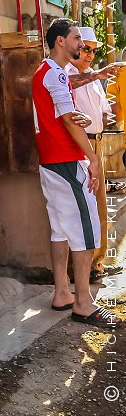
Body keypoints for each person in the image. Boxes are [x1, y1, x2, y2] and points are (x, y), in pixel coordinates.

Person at [33, 20, 122, 329]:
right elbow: (69, 118)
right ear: (61, 41)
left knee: (60, 230)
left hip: (50, 162)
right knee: (85, 231)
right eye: (76, 39)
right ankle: (83, 302)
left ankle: (62, 292)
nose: (81, 44)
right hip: (67, 160)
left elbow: (64, 109)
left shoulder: (44, 73)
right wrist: (93, 158)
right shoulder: (56, 73)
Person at [66, 27, 123, 283]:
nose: (89, 55)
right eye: (85, 49)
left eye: (93, 50)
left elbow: (104, 114)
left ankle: (96, 265)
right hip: (79, 147)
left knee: (100, 208)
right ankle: (82, 268)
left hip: (97, 146)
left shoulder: (93, 79)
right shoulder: (66, 76)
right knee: (83, 211)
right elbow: (70, 89)